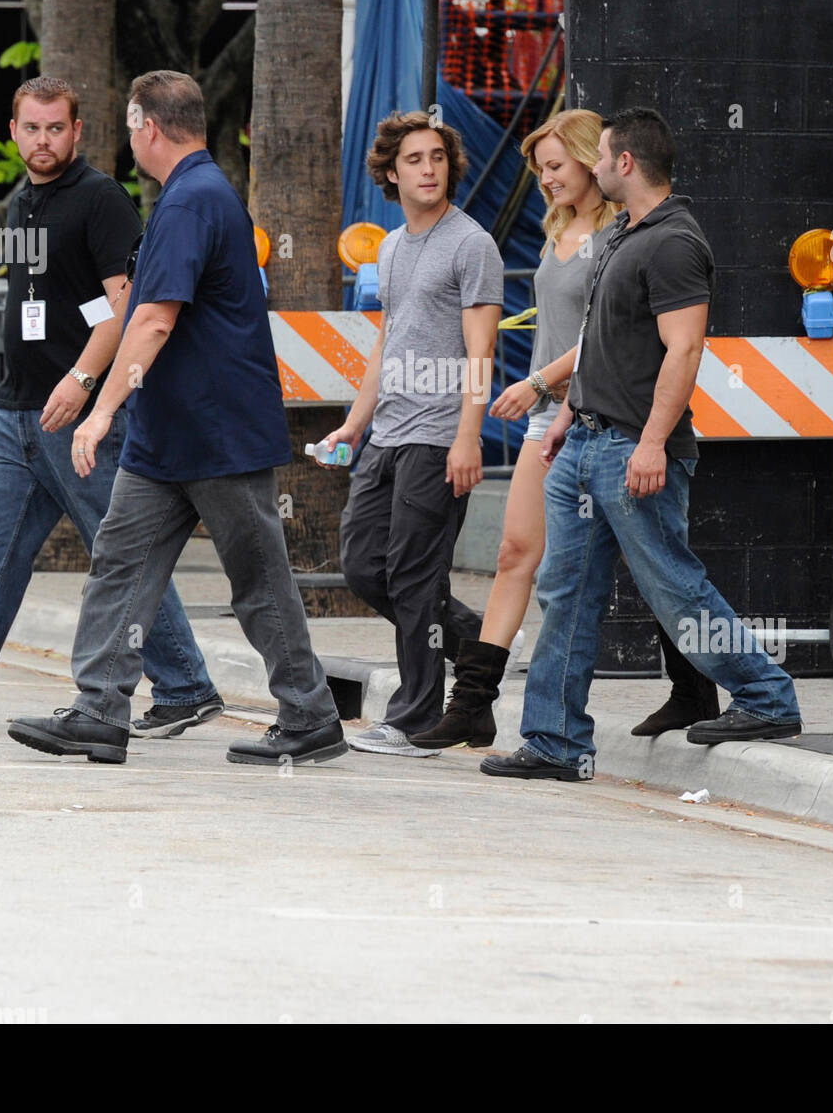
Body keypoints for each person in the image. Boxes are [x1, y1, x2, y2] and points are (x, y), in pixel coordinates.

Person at [0, 76, 221, 737]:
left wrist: (84, 384)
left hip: (77, 417)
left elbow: (126, 306)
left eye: (56, 128)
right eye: (32, 128)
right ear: (14, 131)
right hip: (12, 412)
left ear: (78, 132)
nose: (44, 139)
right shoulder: (23, 201)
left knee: (121, 554)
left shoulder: (100, 199)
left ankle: (186, 686)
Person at [6, 70, 346, 766]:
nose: (129, 142)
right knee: (120, 564)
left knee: (258, 581)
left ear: (147, 127)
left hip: (217, 433)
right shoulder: (183, 197)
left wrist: (100, 412)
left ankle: (310, 716)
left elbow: (156, 320)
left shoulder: (192, 201)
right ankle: (99, 710)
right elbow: (140, 313)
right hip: (169, 436)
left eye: (131, 129)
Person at [481, 108, 802, 782]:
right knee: (564, 590)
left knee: (673, 587)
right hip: (585, 442)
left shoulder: (674, 242)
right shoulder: (626, 234)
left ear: (625, 163)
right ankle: (555, 742)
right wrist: (569, 410)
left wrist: (652, 444)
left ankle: (768, 696)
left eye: (599, 157)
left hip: (632, 449)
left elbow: (684, 350)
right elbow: (601, 339)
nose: (593, 168)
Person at [412, 109, 720, 751]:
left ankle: (699, 687)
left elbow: (602, 337)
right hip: (551, 420)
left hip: (586, 412)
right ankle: (473, 702)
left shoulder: (625, 233)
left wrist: (538, 385)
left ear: (595, 161)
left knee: (650, 561)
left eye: (555, 165)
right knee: (515, 554)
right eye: (539, 169)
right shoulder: (560, 232)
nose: (546, 179)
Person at [322, 112, 503, 757]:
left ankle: (416, 717)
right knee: (364, 567)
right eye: (415, 160)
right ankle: (477, 641)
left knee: (414, 578)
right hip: (387, 435)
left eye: (437, 158)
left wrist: (468, 435)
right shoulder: (390, 246)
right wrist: (353, 422)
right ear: (391, 173)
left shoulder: (472, 244)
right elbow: (386, 344)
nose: (429, 169)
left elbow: (481, 350)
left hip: (439, 435)